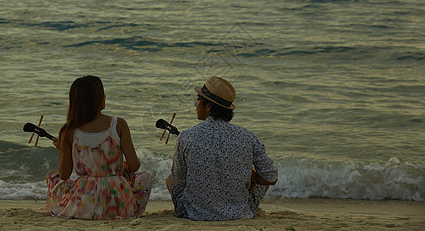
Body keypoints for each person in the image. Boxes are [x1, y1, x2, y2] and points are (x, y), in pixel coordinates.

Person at [166, 76, 278, 221]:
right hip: (240, 213)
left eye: (198, 100)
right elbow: (271, 177)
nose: (195, 105)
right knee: (260, 185)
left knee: (170, 179)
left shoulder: (187, 136)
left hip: (193, 214)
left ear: (209, 107)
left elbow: (179, 180)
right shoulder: (248, 137)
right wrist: (253, 178)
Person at [46, 75, 152, 220]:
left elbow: (64, 175)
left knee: (53, 177)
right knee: (146, 176)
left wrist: (65, 149)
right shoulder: (118, 124)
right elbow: (134, 165)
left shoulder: (69, 131)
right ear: (99, 98)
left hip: (84, 204)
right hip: (118, 203)